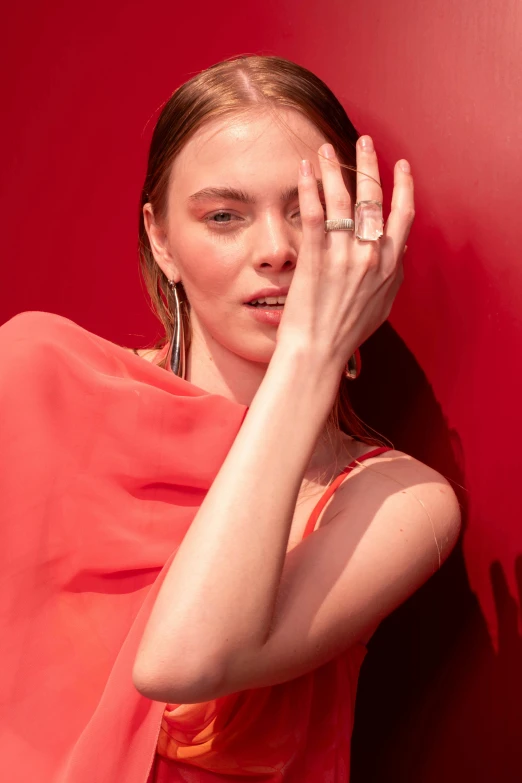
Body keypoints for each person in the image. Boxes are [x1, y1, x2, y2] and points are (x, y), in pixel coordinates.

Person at [0, 55, 461, 782]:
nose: (276, 250)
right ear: (161, 240)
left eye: (309, 214)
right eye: (224, 215)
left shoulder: (396, 501)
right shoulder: (36, 375)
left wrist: (310, 353)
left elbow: (181, 660)